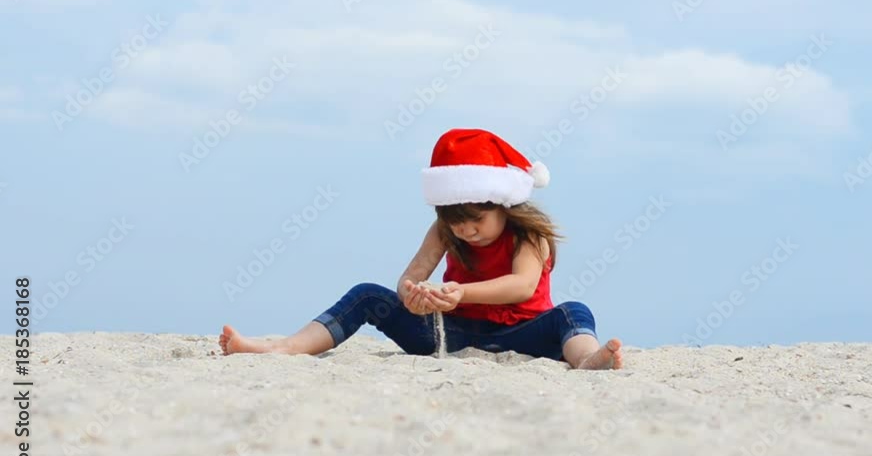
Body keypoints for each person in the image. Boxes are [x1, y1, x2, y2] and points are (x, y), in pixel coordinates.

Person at [219, 128, 623, 369]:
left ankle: (587, 359)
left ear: (502, 205)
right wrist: (414, 296)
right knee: (366, 294)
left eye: (476, 219)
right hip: (453, 333)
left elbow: (522, 286)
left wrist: (461, 292)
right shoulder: (444, 231)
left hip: (522, 334)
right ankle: (285, 347)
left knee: (573, 312)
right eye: (456, 221)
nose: (466, 230)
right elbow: (412, 274)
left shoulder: (527, 235)